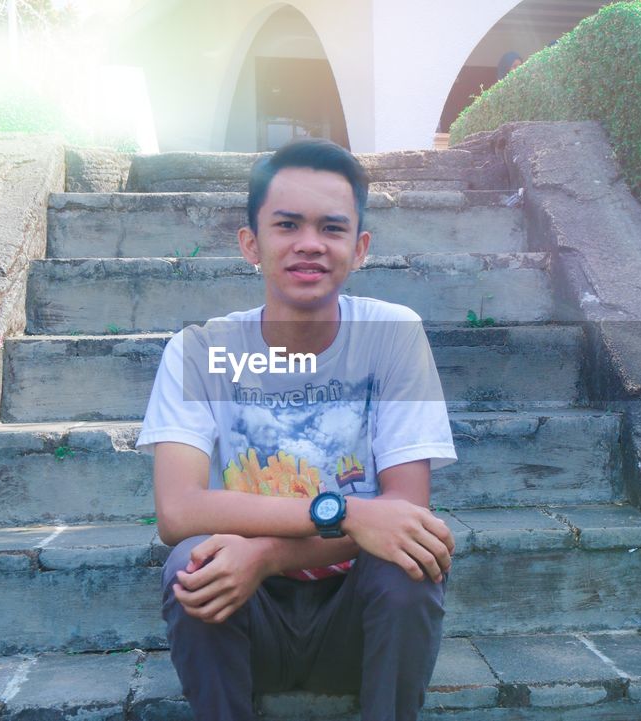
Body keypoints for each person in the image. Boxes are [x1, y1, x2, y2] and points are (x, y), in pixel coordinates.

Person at [136, 138, 458, 721]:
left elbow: (405, 515)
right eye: (287, 225)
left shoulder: (393, 335)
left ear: (359, 249)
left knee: (410, 562)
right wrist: (350, 513)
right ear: (251, 244)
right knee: (193, 557)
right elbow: (178, 512)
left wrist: (263, 555)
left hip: (354, 619)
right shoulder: (199, 352)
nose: (310, 243)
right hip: (246, 616)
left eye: (332, 228)